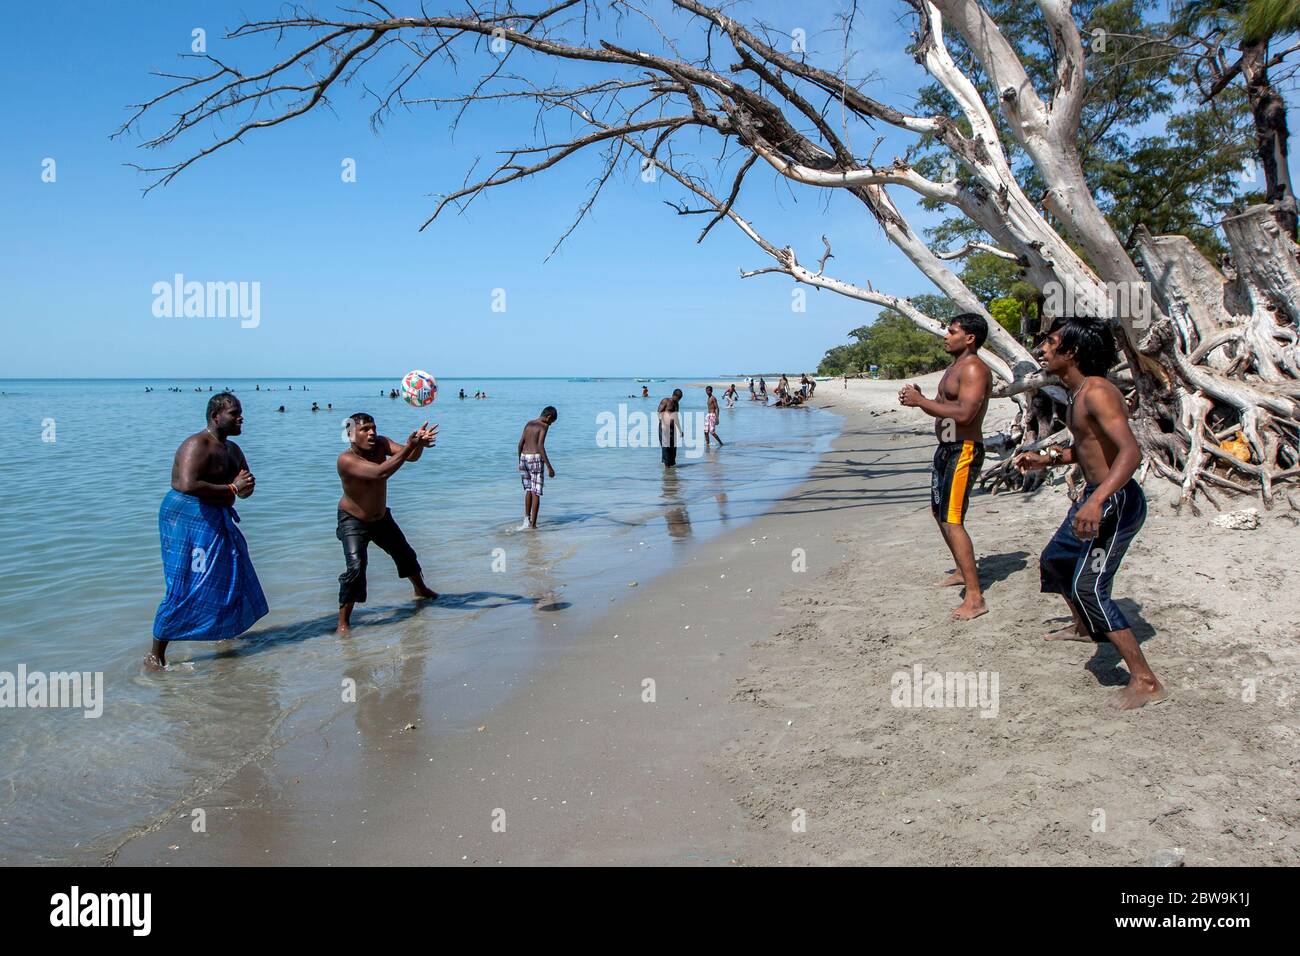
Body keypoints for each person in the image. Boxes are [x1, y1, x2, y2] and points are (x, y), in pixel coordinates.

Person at [1015, 316, 1165, 710]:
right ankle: (1084, 627)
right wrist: (1045, 459)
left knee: (1090, 587)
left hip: (1115, 501)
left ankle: (1146, 680)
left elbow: (1131, 452)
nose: (1042, 349)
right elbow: (1088, 449)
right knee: (1057, 561)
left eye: (1050, 343)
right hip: (1095, 496)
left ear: (1072, 351)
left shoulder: (1099, 392)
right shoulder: (1077, 392)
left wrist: (1097, 501)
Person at [148, 393, 268, 669]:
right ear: (215, 416)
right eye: (234, 413)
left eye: (241, 413)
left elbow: (243, 489)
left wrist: (245, 488)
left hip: (217, 517)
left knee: (229, 575)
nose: (241, 418)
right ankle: (156, 654)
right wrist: (233, 488)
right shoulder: (197, 444)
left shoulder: (234, 450)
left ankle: (222, 635)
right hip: (187, 519)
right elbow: (187, 485)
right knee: (186, 583)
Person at [899, 313, 993, 621]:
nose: (945, 336)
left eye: (951, 332)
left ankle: (975, 596)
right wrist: (921, 398)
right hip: (946, 448)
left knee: (953, 519)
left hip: (963, 449)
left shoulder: (974, 368)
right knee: (939, 513)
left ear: (969, 338)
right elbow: (942, 407)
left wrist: (920, 401)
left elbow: (964, 414)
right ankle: (961, 570)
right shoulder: (953, 368)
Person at [335, 413, 438, 633]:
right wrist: (411, 445)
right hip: (353, 520)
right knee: (356, 567)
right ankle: (343, 623)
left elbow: (411, 457)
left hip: (380, 517)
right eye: (365, 430)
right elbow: (380, 473)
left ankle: (421, 590)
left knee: (405, 553)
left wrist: (417, 445)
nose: (372, 432)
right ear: (351, 435)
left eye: (373, 427)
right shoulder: (346, 460)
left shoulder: (381, 443)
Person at [517, 406, 558, 529]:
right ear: (548, 417)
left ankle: (526, 520)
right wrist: (549, 467)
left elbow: (520, 444)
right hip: (535, 459)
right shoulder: (543, 426)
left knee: (529, 490)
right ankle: (533, 525)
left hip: (524, 457)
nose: (550, 425)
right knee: (536, 492)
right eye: (551, 422)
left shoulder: (529, 423)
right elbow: (540, 446)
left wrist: (520, 461)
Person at [658, 388, 683, 467]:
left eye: (680, 399)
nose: (678, 400)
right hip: (664, 427)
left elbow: (676, 418)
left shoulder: (676, 404)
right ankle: (666, 469)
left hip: (672, 428)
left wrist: (680, 430)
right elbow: (659, 413)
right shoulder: (666, 401)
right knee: (666, 448)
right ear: (673, 395)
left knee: (673, 449)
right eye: (678, 398)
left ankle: (671, 472)